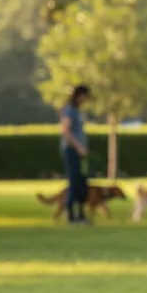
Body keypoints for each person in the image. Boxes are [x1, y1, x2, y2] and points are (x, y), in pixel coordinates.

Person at [59, 84, 91, 225]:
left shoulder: (77, 111)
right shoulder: (69, 111)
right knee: (74, 182)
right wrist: (78, 146)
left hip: (79, 151)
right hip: (72, 150)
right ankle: (72, 215)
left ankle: (81, 214)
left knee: (81, 182)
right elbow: (66, 131)